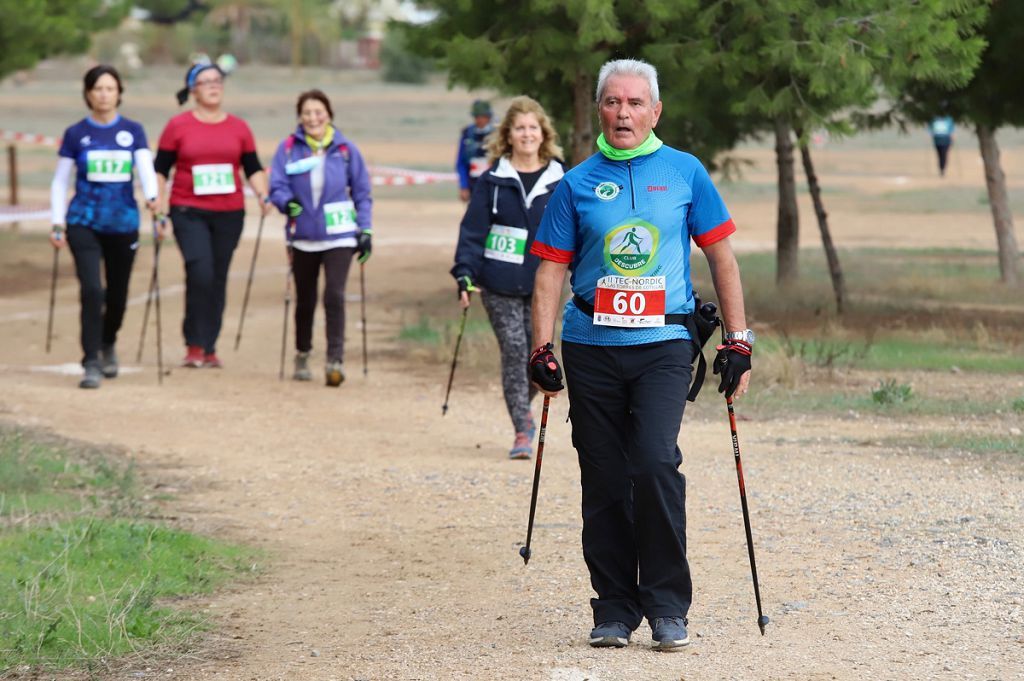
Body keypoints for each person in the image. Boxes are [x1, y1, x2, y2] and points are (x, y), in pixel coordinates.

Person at [528, 59, 754, 651]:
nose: (622, 113)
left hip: (663, 346)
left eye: (634, 103)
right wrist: (541, 348)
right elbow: (551, 270)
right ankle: (613, 608)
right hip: (590, 347)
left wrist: (738, 342)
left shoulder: (685, 173)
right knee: (603, 476)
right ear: (599, 110)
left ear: (655, 111)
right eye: (611, 102)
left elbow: (721, 258)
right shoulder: (575, 183)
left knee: (654, 464)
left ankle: (666, 604)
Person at [451, 96, 565, 459]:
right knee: (514, 349)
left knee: (537, 352)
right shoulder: (492, 181)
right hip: (497, 282)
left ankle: (523, 410)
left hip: (543, 285)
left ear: (543, 133)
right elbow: (472, 231)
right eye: (520, 128)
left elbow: (576, 233)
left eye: (533, 127)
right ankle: (522, 428)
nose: (527, 134)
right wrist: (465, 274)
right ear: (508, 135)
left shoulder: (561, 178)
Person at [153, 62, 273, 368]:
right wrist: (158, 202)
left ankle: (209, 346)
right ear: (193, 90)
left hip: (229, 213)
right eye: (206, 82)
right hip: (188, 210)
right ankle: (193, 342)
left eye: (217, 81)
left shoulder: (239, 127)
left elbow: (252, 167)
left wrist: (263, 194)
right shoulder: (177, 126)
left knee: (217, 277)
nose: (213, 86)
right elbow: (160, 169)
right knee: (200, 270)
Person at [49, 65, 158, 389]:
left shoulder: (133, 131)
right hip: (84, 221)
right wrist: (57, 221)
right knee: (92, 290)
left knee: (118, 294)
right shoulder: (75, 133)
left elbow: (146, 170)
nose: (104, 94)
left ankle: (108, 341)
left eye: (110, 88)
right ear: (87, 94)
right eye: (98, 88)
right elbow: (59, 181)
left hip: (123, 222)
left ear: (119, 93)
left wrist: (154, 199)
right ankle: (91, 360)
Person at [269, 90, 373, 386]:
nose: (313, 118)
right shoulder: (288, 148)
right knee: (306, 299)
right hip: (302, 236)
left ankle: (334, 360)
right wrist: (285, 201)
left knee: (334, 296)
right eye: (307, 113)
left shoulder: (345, 150)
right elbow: (276, 184)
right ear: (299, 117)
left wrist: (365, 230)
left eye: (318, 112)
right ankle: (303, 353)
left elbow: (363, 193)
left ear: (329, 114)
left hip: (339, 235)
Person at [455, 100, 494, 202]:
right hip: (474, 183)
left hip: (493, 183)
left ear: (488, 117)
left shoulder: (496, 133)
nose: (479, 120)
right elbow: (461, 162)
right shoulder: (467, 133)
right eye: (477, 117)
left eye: (483, 116)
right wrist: (464, 186)